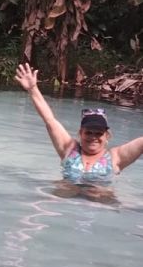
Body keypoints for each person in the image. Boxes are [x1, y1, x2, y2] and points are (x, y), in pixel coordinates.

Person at [15, 62, 143, 185]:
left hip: (100, 200)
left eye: (98, 133)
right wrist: (33, 89)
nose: (93, 137)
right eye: (88, 132)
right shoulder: (69, 149)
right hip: (64, 197)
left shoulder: (116, 157)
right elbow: (49, 119)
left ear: (107, 136)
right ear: (80, 133)